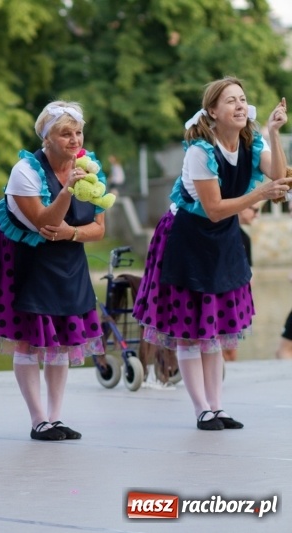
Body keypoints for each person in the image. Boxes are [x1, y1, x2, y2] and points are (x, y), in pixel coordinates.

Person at [133, 77, 290, 430]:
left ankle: (217, 408)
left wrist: (275, 133)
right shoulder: (200, 151)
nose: (238, 104)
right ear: (212, 112)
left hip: (221, 240)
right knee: (191, 330)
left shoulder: (251, 141)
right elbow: (216, 207)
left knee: (215, 329)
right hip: (186, 239)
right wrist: (260, 195)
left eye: (242, 99)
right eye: (230, 100)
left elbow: (279, 178)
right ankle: (201, 409)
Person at [0, 101, 106, 441]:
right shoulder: (26, 171)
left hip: (68, 254)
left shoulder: (88, 166)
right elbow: (44, 223)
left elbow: (98, 228)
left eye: (78, 132)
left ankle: (56, 416)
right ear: (46, 138)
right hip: (26, 257)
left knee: (62, 341)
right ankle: (38, 420)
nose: (75, 139)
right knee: (29, 341)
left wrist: (74, 234)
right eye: (66, 134)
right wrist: (67, 191)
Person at [222, 202, 262, 361]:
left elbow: (248, 276)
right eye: (255, 210)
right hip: (216, 295)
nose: (257, 215)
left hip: (234, 300)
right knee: (213, 346)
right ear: (243, 207)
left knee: (231, 349)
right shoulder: (218, 233)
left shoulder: (244, 237)